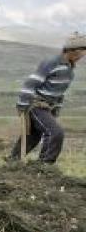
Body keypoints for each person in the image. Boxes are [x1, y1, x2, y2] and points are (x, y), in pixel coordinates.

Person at [9, 32, 86, 163]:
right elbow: (31, 82)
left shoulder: (69, 69)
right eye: (82, 52)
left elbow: (59, 94)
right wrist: (22, 104)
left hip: (47, 108)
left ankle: (12, 161)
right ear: (74, 51)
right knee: (56, 133)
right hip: (36, 105)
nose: (83, 56)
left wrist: (55, 111)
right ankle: (45, 166)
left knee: (33, 136)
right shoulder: (51, 62)